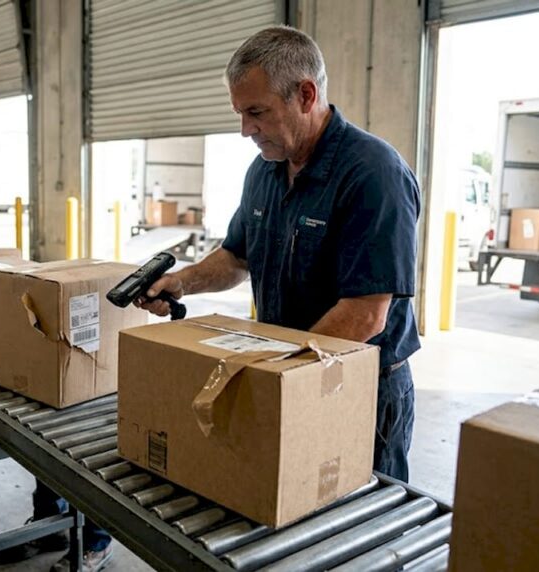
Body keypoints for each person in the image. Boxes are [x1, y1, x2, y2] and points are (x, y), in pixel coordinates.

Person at [138, 26, 420, 482]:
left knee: (359, 535)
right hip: (288, 373)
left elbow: (366, 314)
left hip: (356, 387)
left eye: (256, 112)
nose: (245, 129)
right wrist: (182, 281)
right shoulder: (265, 168)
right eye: (240, 113)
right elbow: (236, 257)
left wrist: (281, 375)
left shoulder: (373, 174)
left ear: (306, 95)